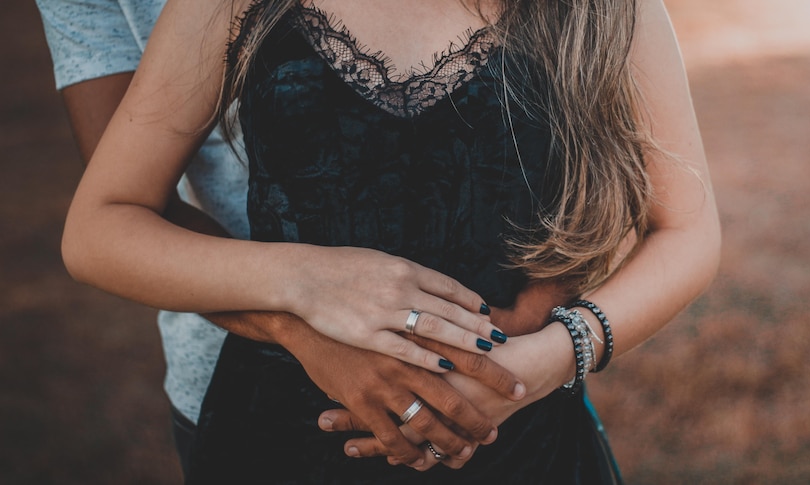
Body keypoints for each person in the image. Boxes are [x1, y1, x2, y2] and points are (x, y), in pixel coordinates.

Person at [60, 0, 721, 482]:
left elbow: (687, 231)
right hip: (286, 441)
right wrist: (302, 283)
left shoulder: (603, 8)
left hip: (519, 437)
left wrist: (550, 358)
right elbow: (99, 227)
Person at [37, 0, 541, 478]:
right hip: (272, 388)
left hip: (505, 398)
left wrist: (543, 332)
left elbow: (602, 191)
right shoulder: (215, 13)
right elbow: (110, 215)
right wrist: (307, 300)